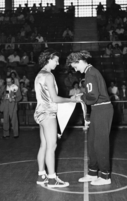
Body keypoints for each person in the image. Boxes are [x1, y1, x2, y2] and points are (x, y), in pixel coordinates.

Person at [66, 50, 114, 186]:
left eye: (74, 66)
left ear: (79, 61)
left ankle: (105, 176)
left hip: (102, 110)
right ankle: (93, 172)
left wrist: (79, 97)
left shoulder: (90, 73)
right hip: (98, 110)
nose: (75, 69)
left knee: (100, 143)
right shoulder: (90, 72)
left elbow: (92, 97)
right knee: (92, 142)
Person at [34, 49, 79, 188]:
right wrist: (72, 100)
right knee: (52, 146)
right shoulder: (48, 75)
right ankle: (52, 179)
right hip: (48, 113)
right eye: (56, 60)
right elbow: (54, 99)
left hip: (40, 113)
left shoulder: (38, 75)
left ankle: (42, 175)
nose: (58, 63)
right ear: (48, 59)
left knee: (44, 145)